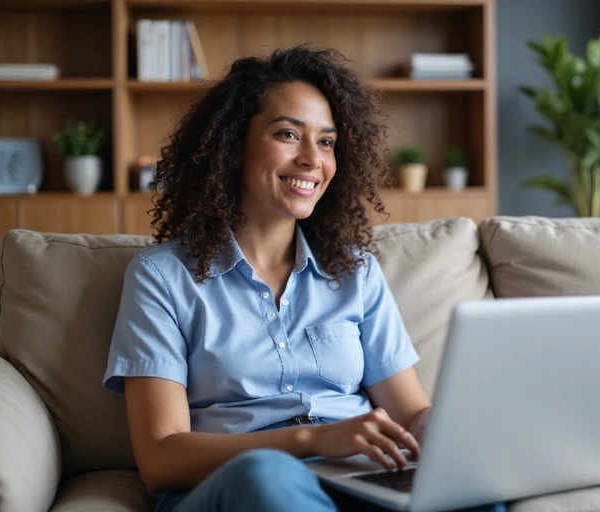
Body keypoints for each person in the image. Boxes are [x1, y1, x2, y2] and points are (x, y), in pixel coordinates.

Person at [104, 44, 503, 512]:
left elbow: (411, 413)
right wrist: (315, 437)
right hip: (234, 485)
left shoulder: (355, 272)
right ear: (233, 147)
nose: (313, 159)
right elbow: (161, 458)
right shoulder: (162, 278)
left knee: (471, 496)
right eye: (289, 135)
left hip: (356, 476)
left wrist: (453, 432)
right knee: (266, 477)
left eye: (327, 141)